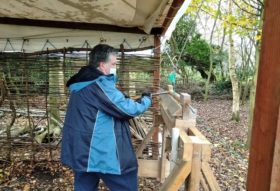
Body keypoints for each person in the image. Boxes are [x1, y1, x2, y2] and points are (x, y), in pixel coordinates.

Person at [61, 44, 152, 191]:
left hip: (81, 149)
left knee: (84, 185)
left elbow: (105, 104)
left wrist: (121, 98)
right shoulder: (99, 84)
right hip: (99, 150)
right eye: (113, 64)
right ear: (102, 65)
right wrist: (146, 100)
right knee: (126, 182)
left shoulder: (82, 83)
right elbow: (127, 110)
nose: (114, 68)